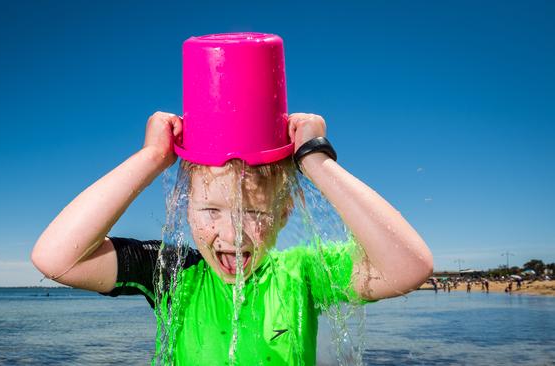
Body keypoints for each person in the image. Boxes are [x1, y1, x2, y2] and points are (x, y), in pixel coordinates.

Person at [31, 112, 434, 365]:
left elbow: (408, 267)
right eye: (211, 211)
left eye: (256, 214)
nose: (232, 233)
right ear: (185, 207)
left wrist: (315, 158)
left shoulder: (303, 275)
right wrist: (151, 158)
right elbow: (57, 258)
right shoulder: (175, 274)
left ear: (283, 216)